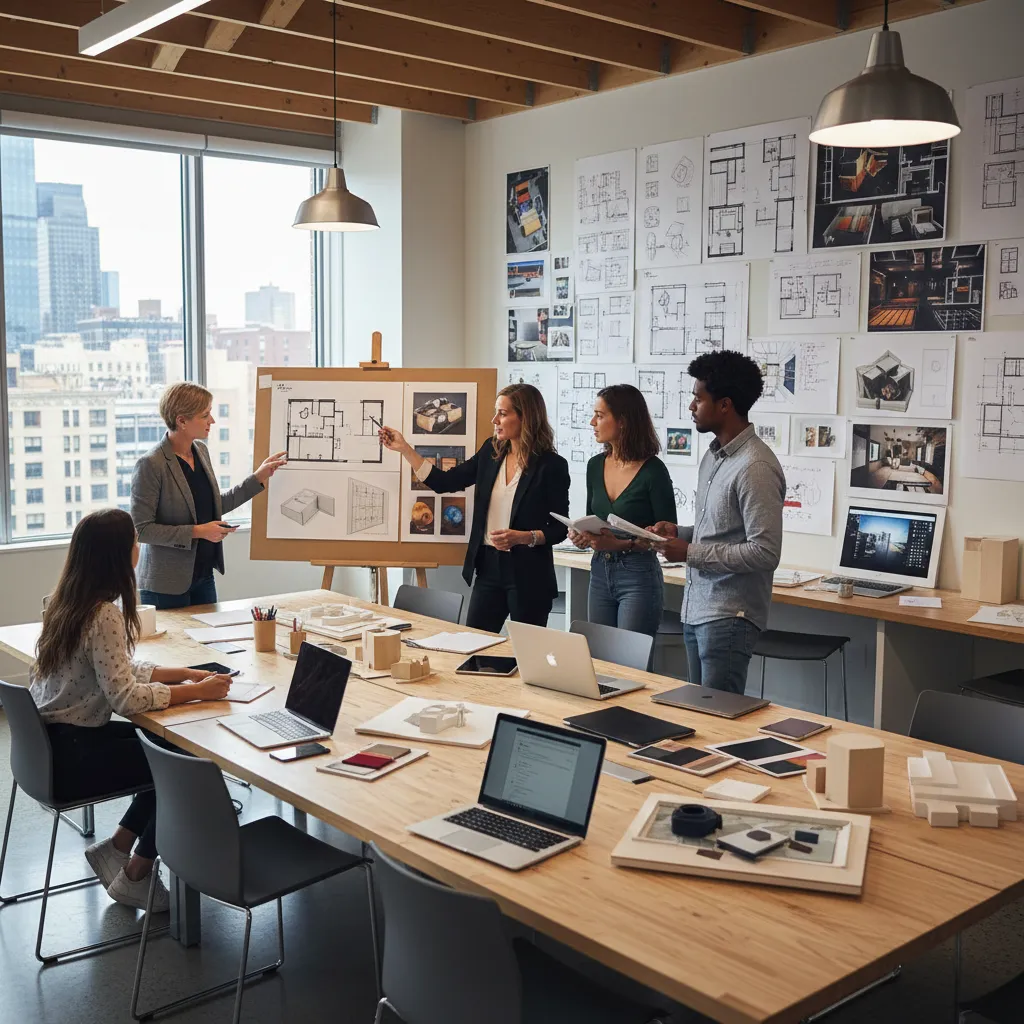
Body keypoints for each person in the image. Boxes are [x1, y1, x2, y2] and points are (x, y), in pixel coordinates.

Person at [29, 509, 233, 912]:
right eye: (134, 544)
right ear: (119, 556)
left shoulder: (65, 602)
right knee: (186, 770)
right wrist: (197, 694)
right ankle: (137, 874)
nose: (139, 549)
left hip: (50, 748)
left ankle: (119, 848)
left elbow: (116, 667)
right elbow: (126, 698)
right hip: (75, 756)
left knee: (167, 748)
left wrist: (187, 674)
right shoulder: (103, 614)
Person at [379, 383, 570, 633]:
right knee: (475, 649)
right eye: (496, 412)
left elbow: (559, 528)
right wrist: (405, 449)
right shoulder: (490, 451)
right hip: (489, 567)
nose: (495, 420)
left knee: (526, 657)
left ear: (526, 417)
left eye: (502, 413)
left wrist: (525, 537)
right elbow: (444, 482)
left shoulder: (551, 465)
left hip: (529, 573)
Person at [649, 350, 785, 694]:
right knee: (702, 717)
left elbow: (764, 552)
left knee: (719, 722)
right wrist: (678, 534)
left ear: (725, 404)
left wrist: (690, 553)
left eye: (698, 398)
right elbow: (719, 531)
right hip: (698, 609)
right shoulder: (714, 455)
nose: (692, 406)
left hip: (730, 616)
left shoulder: (755, 466)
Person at [131, 382, 287, 609]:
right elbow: (142, 529)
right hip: (166, 584)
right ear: (182, 421)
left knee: (208, 644)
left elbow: (214, 505)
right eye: (205, 415)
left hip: (203, 575)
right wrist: (199, 532)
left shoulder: (201, 451)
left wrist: (258, 478)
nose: (212, 421)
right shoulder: (150, 464)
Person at [568, 384, 676, 645]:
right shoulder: (595, 466)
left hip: (638, 576)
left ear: (624, 421)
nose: (592, 422)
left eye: (600, 415)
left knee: (632, 664)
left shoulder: (653, 471)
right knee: (601, 660)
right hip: (600, 572)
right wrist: (582, 535)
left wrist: (620, 544)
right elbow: (591, 519)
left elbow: (667, 537)